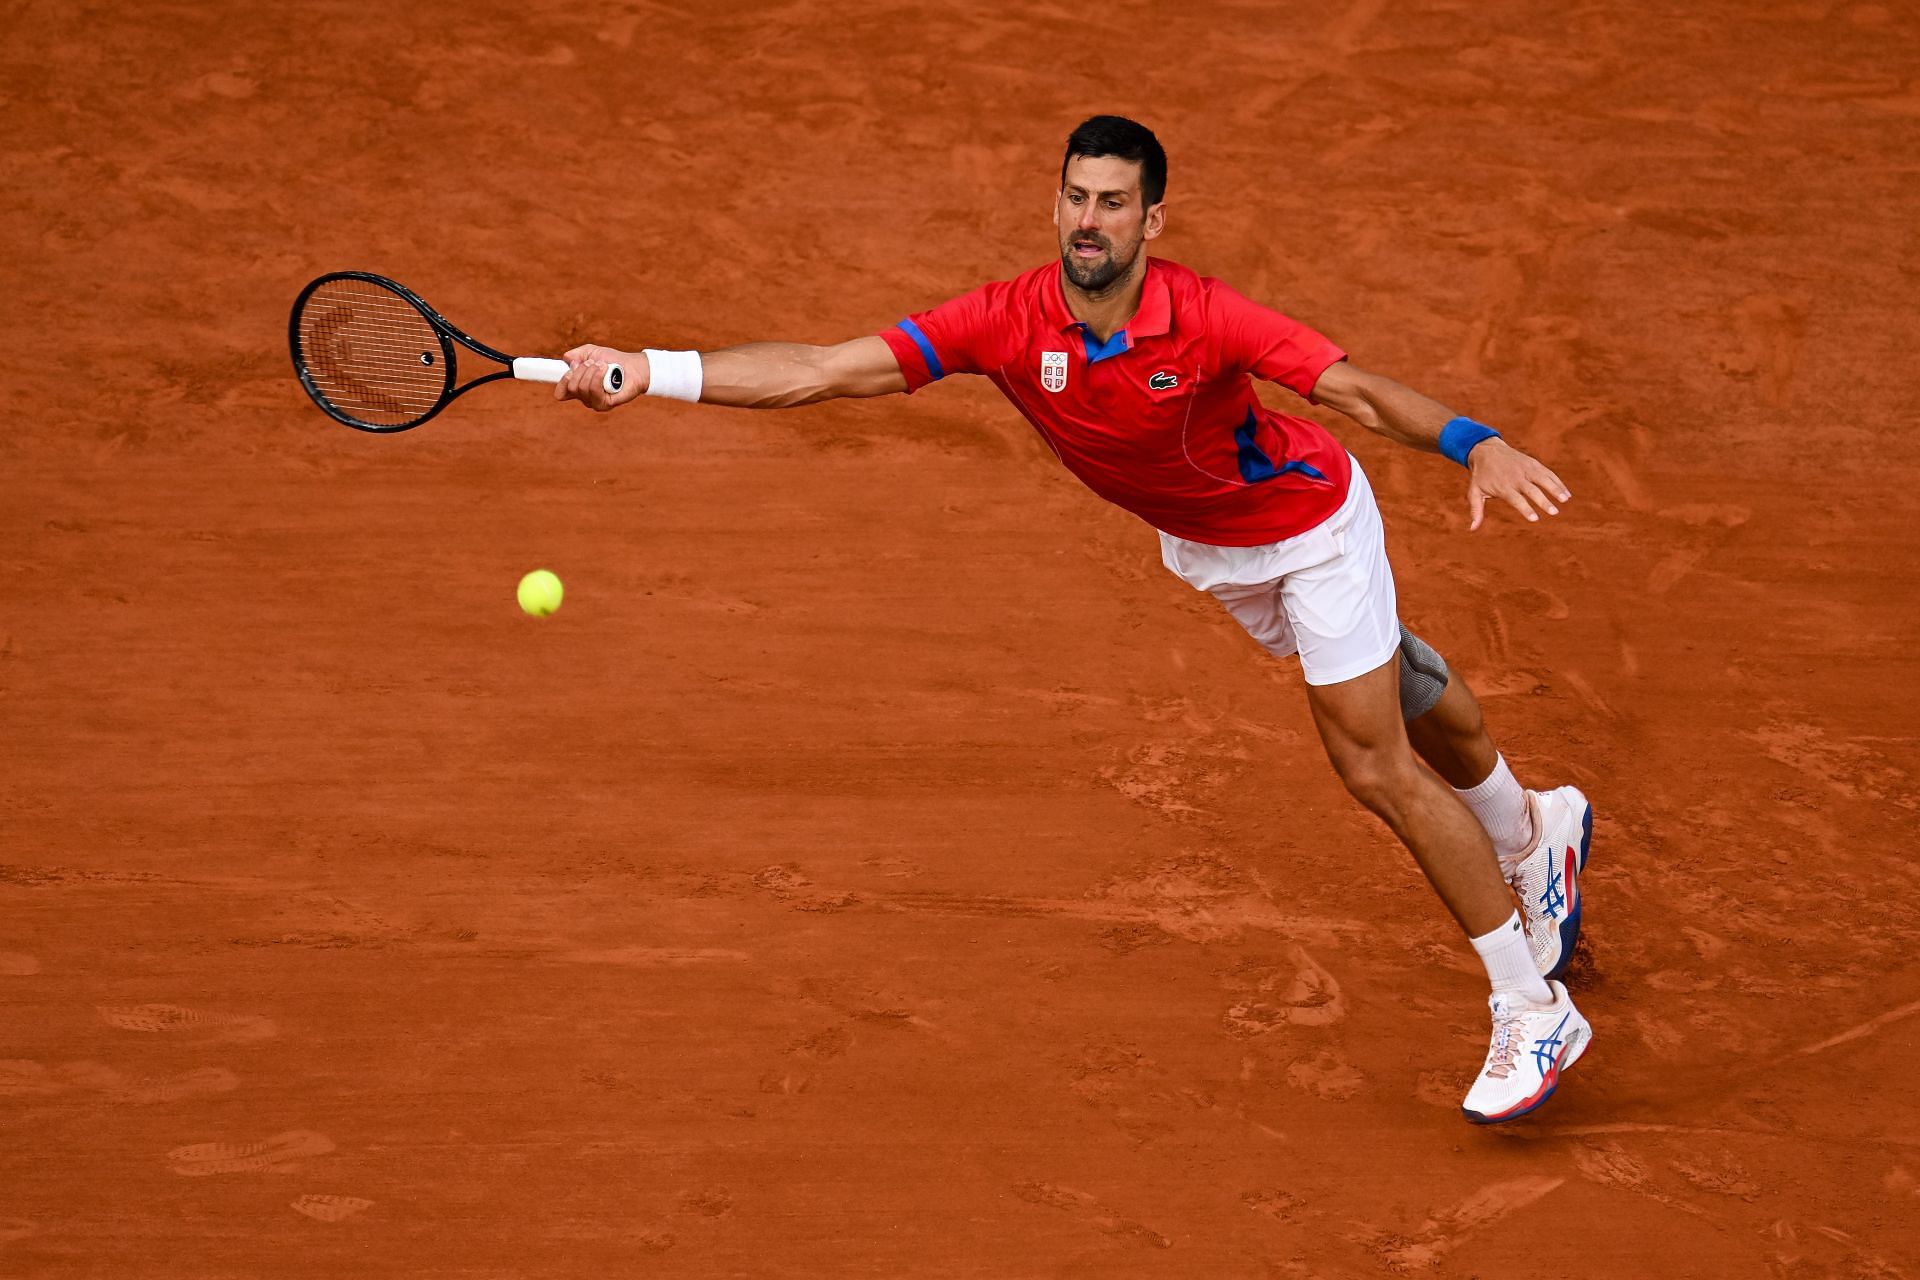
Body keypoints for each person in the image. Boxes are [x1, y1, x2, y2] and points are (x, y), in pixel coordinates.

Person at [554, 115, 1594, 1125]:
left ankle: (1531, 1003)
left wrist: (1474, 441)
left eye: (1113, 203)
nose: (1088, 220)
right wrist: (654, 369)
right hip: (1215, 549)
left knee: (1371, 760)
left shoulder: (1207, 316)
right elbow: (826, 370)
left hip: (1311, 526)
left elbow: (1354, 393)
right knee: (1395, 677)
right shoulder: (1006, 321)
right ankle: (1530, 828)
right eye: (1075, 197)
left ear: (1155, 221)